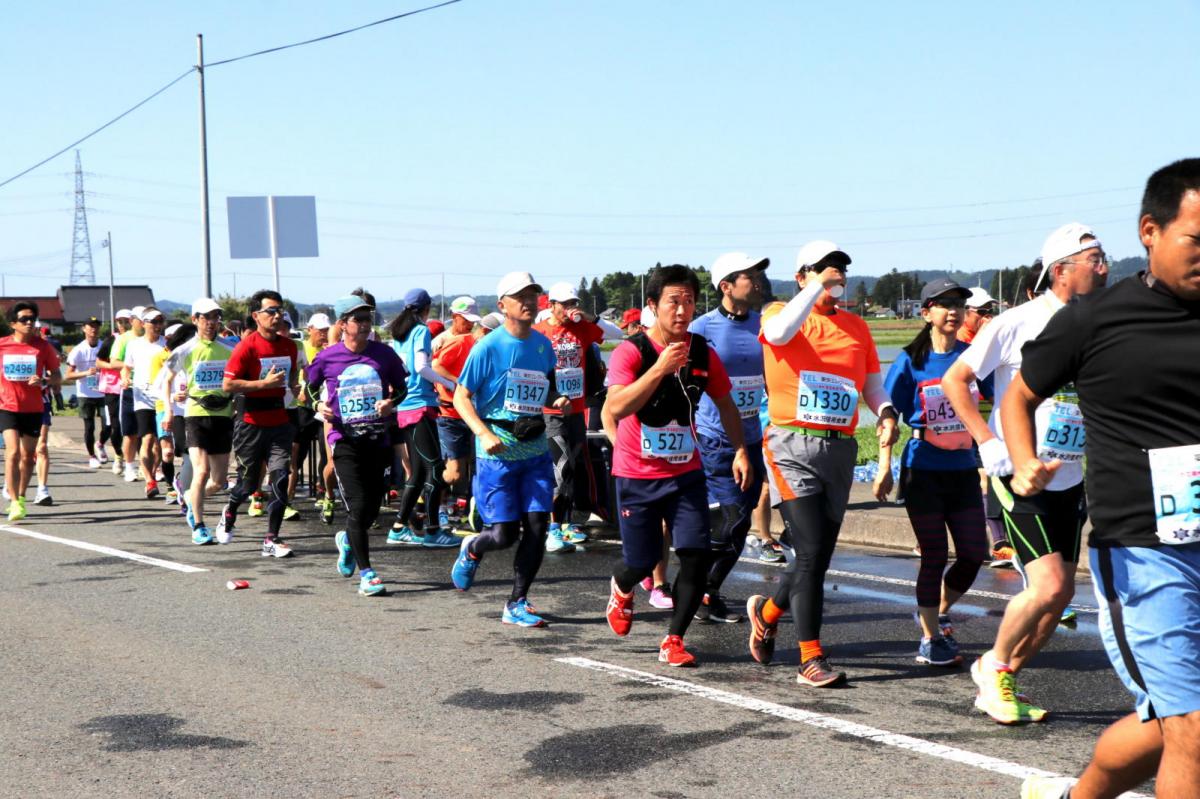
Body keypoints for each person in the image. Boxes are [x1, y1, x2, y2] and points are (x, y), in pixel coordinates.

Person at [1016, 160, 1200, 799]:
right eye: (1198, 241)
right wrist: (1021, 460)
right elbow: (1018, 396)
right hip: (1146, 550)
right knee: (1194, 732)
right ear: (1151, 230)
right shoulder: (1097, 317)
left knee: (1167, 726)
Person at [941, 222, 1108, 725]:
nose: (1104, 267)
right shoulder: (1017, 321)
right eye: (1093, 259)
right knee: (1051, 586)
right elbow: (956, 380)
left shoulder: (1100, 323)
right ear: (1061, 272)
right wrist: (988, 441)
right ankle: (995, 674)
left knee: (1057, 602)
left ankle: (998, 672)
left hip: (1071, 476)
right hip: (1018, 475)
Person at [746, 240, 898, 688]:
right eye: (823, 269)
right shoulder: (779, 314)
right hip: (792, 445)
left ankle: (767, 613)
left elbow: (872, 386)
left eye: (840, 269)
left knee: (815, 558)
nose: (836, 275)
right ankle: (810, 658)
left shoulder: (856, 327)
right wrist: (813, 289)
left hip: (839, 448)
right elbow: (777, 337)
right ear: (802, 277)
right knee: (810, 552)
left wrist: (887, 413)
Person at [602, 265, 750, 666]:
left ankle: (674, 639)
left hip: (685, 473)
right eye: (673, 302)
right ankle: (621, 586)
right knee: (641, 559)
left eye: (688, 301)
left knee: (696, 555)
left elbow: (725, 403)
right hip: (637, 474)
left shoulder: (702, 352)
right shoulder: (631, 351)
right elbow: (616, 406)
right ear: (652, 306)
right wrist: (660, 369)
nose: (682, 310)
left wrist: (740, 449)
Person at [876, 278, 991, 667]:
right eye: (943, 304)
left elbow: (1000, 393)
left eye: (959, 304)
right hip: (923, 467)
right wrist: (884, 467)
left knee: (975, 552)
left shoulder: (971, 357)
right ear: (926, 313)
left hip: (962, 469)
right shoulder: (911, 360)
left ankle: (936, 610)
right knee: (934, 554)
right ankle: (929, 638)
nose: (953, 311)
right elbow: (886, 413)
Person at [449, 271, 570, 628]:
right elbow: (461, 396)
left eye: (533, 295)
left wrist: (556, 398)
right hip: (497, 455)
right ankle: (472, 548)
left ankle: (516, 601)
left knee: (537, 528)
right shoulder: (488, 347)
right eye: (521, 296)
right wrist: (483, 434)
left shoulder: (542, 345)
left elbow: (545, 386)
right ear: (503, 305)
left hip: (534, 451)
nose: (530, 302)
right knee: (503, 535)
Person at [308, 295, 409, 597]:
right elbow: (307, 388)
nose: (365, 324)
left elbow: (403, 387)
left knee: (372, 507)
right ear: (342, 325)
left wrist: (392, 403)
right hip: (344, 440)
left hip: (377, 439)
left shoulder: (384, 354)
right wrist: (318, 405)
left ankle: (348, 541)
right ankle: (367, 573)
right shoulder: (327, 357)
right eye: (358, 319)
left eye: (368, 319)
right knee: (358, 504)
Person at [689, 252, 770, 623]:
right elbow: (682, 383)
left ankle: (706, 588)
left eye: (757, 275)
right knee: (732, 517)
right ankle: (701, 589)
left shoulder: (763, 325)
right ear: (726, 286)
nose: (756, 281)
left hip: (752, 436)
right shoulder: (702, 329)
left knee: (741, 521)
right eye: (749, 276)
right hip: (713, 438)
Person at [217, 289, 300, 557]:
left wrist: (297, 387)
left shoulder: (289, 345)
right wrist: (263, 384)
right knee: (249, 485)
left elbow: (293, 375)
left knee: (279, 478)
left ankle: (271, 538)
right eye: (270, 311)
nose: (277, 316)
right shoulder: (247, 346)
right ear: (256, 316)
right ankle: (230, 510)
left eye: (280, 311)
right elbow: (228, 384)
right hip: (250, 423)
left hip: (279, 421)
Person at [534, 281, 605, 551]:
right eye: (565, 304)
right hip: (551, 411)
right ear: (551, 305)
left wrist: (588, 316)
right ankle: (552, 529)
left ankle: (565, 524)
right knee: (560, 468)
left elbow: (614, 333)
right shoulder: (540, 332)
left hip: (576, 410)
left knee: (572, 468)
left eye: (573, 303)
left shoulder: (582, 329)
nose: (570, 309)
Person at [386, 288, 458, 548]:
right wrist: (448, 383)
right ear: (426, 308)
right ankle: (432, 530)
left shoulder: (399, 335)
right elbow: (421, 368)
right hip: (420, 405)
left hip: (406, 406)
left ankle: (398, 527)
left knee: (417, 473)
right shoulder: (421, 331)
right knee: (436, 468)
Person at [164, 299, 234, 544]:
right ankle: (199, 526)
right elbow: (167, 378)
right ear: (195, 320)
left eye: (215, 317)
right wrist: (170, 407)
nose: (212, 322)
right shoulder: (185, 350)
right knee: (201, 471)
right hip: (196, 415)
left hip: (223, 415)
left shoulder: (229, 349)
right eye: (206, 317)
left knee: (218, 481)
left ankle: (191, 498)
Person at [1, 302, 61, 522]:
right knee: (13, 452)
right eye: (24, 319)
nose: (29, 323)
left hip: (33, 408)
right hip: (7, 406)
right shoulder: (2, 346)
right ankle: (14, 501)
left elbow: (57, 376)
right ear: (12, 323)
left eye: (32, 319)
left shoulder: (42, 347)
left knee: (28, 456)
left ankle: (22, 497)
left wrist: (43, 380)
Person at [431, 296, 484, 527]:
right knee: (454, 474)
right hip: (449, 412)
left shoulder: (473, 338)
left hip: (472, 412)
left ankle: (476, 507)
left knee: (479, 464)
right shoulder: (445, 340)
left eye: (474, 320)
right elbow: (434, 367)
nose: (470, 324)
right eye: (466, 319)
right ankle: (433, 500)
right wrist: (458, 383)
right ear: (455, 317)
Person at [121, 307, 168, 499]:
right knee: (147, 439)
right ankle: (149, 481)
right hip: (142, 397)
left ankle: (153, 472)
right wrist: (125, 378)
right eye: (153, 322)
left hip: (163, 399)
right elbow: (126, 367)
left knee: (159, 444)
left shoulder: (167, 344)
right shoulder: (134, 345)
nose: (157, 325)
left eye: (160, 321)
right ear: (144, 323)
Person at [64, 317, 107, 468]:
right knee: (89, 427)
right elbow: (68, 375)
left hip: (103, 392)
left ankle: (100, 443)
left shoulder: (105, 347)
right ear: (84, 329)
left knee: (108, 425)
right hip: (85, 394)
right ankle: (92, 456)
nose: (94, 329)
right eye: (90, 326)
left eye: (96, 326)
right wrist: (86, 372)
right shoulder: (78, 350)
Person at [110, 305, 147, 482]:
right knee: (130, 433)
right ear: (133, 321)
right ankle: (130, 466)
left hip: (151, 390)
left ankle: (149, 468)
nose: (145, 323)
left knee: (150, 434)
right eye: (142, 319)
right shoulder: (125, 339)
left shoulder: (156, 339)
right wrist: (132, 365)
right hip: (131, 389)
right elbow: (114, 362)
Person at [95, 309, 132, 475]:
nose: (123, 324)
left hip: (132, 386)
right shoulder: (112, 340)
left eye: (126, 320)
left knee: (133, 428)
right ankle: (118, 456)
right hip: (113, 388)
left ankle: (134, 461)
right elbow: (99, 362)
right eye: (120, 321)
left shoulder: (138, 340)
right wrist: (115, 365)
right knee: (116, 426)